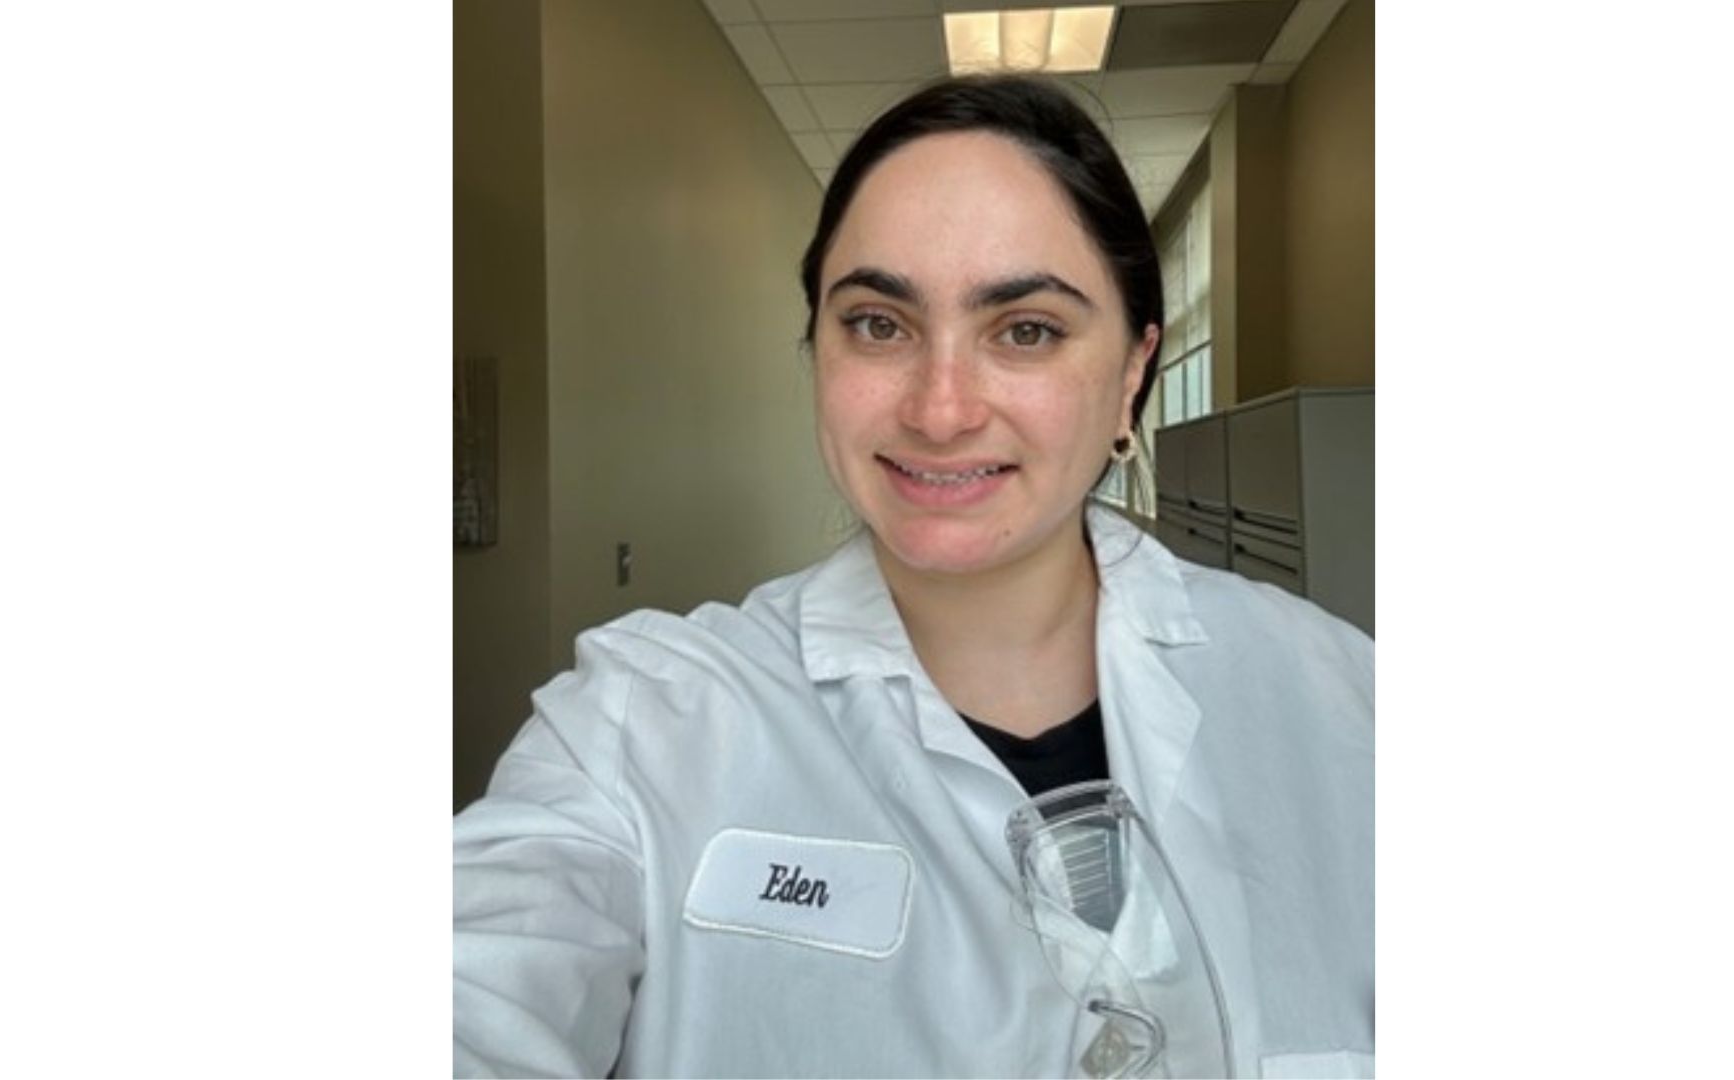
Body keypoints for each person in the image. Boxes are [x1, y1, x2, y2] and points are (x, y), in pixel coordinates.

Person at [453, 75, 1372, 1079]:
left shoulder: (1348, 701)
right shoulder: (643, 727)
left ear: (1132, 375)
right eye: (879, 325)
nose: (940, 411)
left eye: (1026, 329)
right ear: (818, 351)